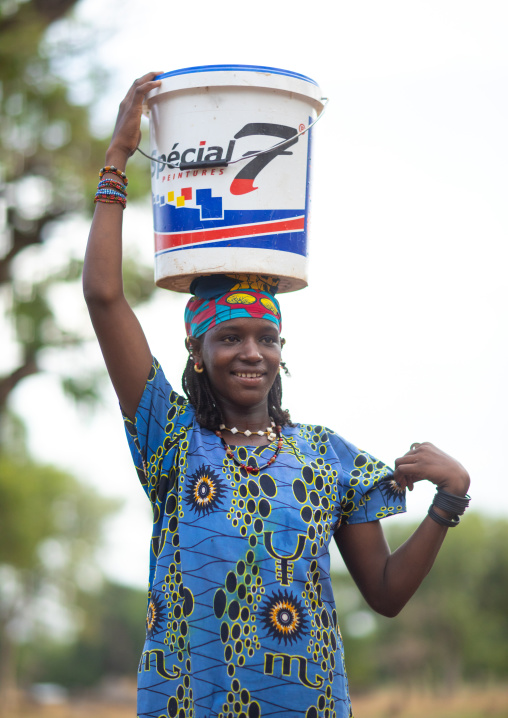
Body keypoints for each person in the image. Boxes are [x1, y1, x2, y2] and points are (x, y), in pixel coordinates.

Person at [83, 73, 471, 718]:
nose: (252, 352)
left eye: (268, 337)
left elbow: (385, 592)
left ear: (283, 349)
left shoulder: (329, 457)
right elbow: (103, 298)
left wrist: (448, 502)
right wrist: (118, 158)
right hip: (189, 704)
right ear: (196, 352)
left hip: (306, 703)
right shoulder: (172, 441)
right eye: (230, 337)